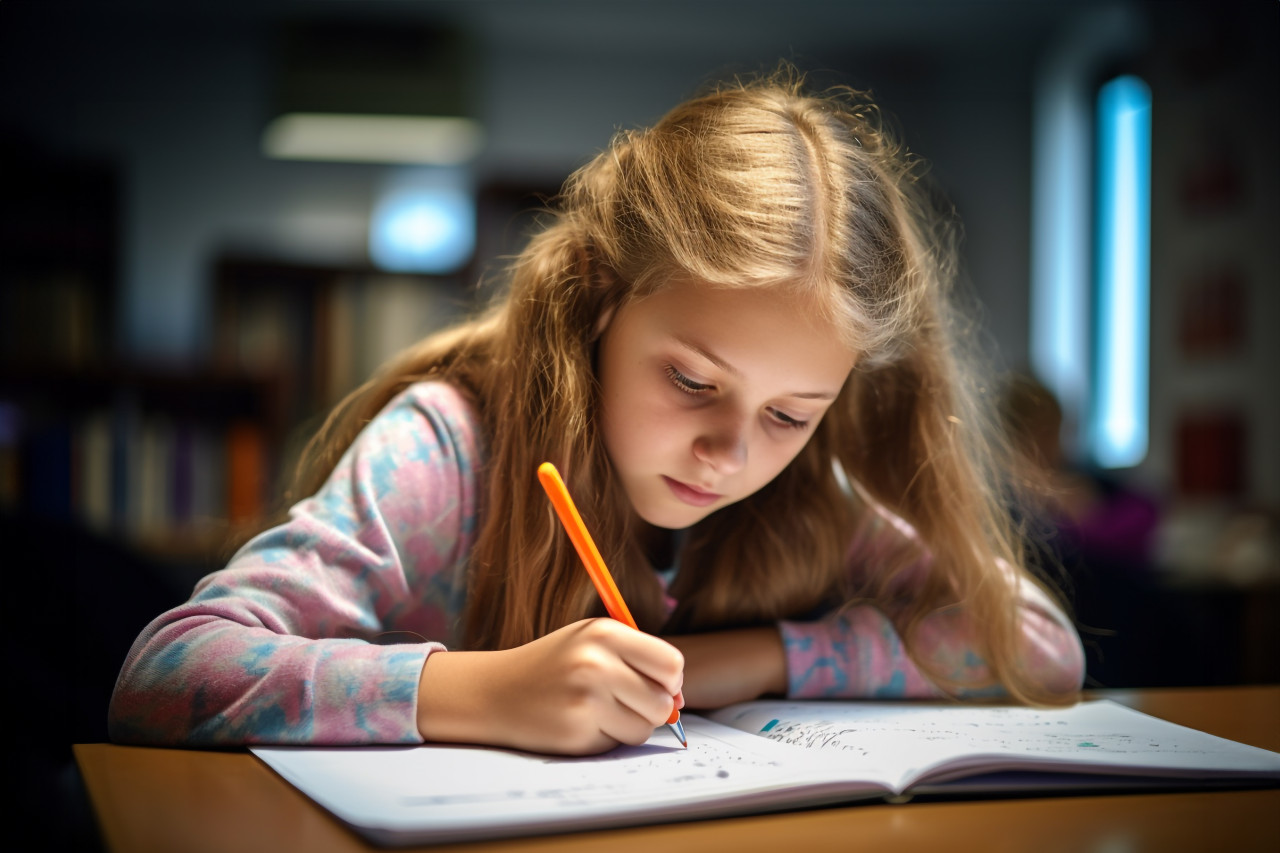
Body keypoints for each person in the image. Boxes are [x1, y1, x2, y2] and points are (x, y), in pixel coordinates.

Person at [109, 67, 1084, 756]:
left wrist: (740, 661)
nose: (729, 452)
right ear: (597, 295)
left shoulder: (811, 496)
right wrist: (479, 691)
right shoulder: (447, 451)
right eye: (693, 382)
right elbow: (166, 672)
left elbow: (1035, 645)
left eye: (791, 415)